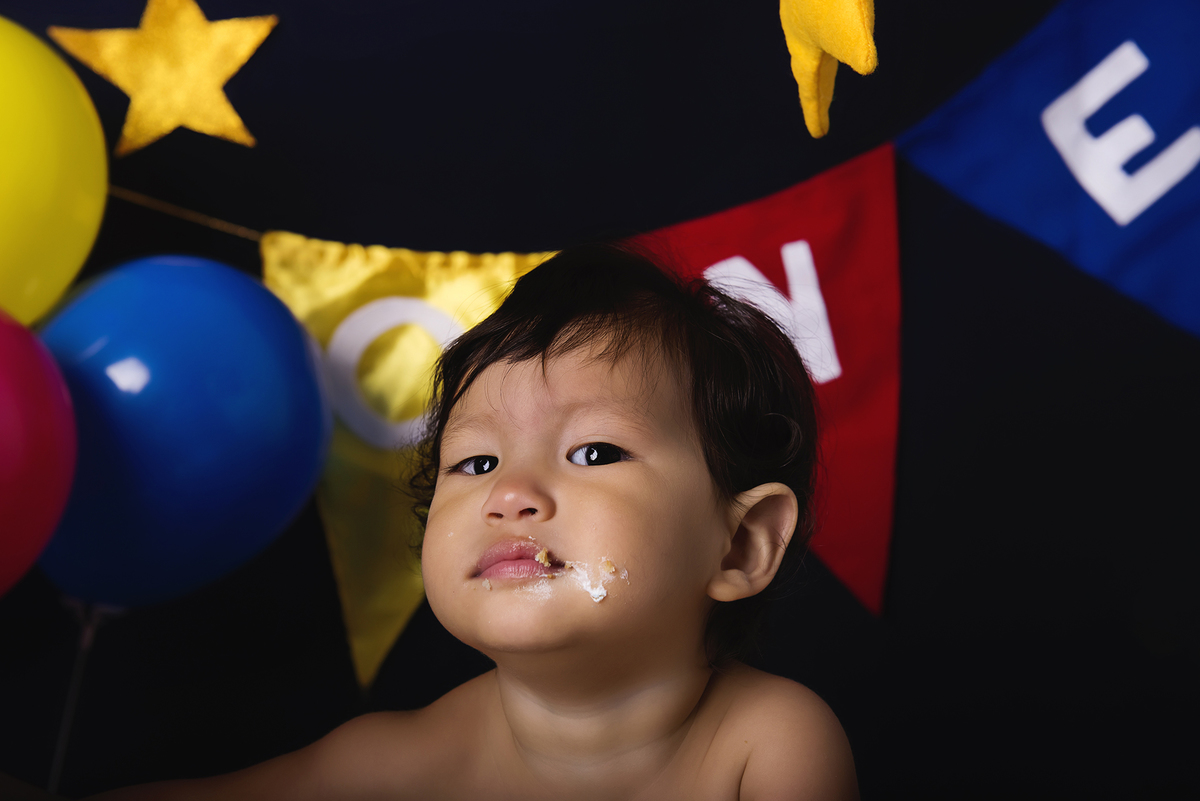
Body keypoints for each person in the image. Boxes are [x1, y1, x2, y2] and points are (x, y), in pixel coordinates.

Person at [88, 243, 858, 800]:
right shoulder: (409, 759)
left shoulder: (767, 745)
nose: (509, 493)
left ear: (740, 543)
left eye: (593, 451)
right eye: (477, 461)